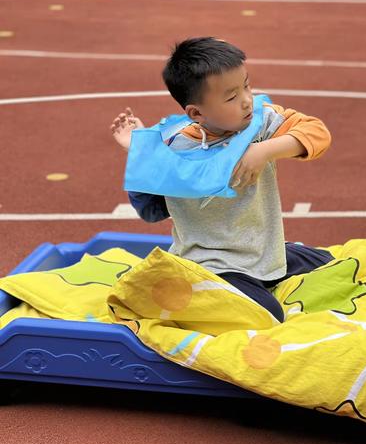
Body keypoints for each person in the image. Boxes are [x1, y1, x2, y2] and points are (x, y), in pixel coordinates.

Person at [110, 36, 334, 323]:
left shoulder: (261, 122)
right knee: (268, 314)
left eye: (247, 85)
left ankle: (261, 272)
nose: (246, 101)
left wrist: (263, 150)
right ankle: (170, 296)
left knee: (328, 265)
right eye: (231, 97)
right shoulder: (174, 147)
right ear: (196, 112)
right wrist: (143, 154)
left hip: (262, 254)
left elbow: (317, 133)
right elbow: (152, 211)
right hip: (210, 264)